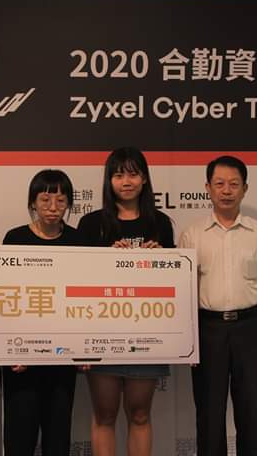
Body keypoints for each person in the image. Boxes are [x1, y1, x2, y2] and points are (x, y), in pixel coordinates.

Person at [178, 155, 257, 456]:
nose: (226, 190)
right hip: (207, 330)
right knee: (209, 415)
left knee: (250, 413)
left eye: (234, 184)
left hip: (249, 329)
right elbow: (182, 290)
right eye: (219, 184)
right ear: (208, 188)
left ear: (245, 189)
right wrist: (186, 341)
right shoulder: (191, 234)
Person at [77, 147, 174, 456]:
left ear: (144, 179)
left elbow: (174, 282)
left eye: (133, 174)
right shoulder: (91, 224)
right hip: (101, 331)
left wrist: (162, 260)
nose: (126, 182)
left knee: (140, 414)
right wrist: (106, 259)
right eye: (118, 175)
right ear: (109, 181)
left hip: (147, 332)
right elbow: (77, 280)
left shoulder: (160, 223)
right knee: (104, 415)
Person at [1, 169, 82, 456]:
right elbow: (5, 298)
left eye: (61, 200)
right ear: (33, 202)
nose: (53, 207)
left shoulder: (79, 240)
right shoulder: (15, 238)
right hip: (21, 358)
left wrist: (85, 348)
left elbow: (86, 299)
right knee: (19, 436)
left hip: (63, 356)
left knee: (58, 436)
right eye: (45, 199)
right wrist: (10, 351)